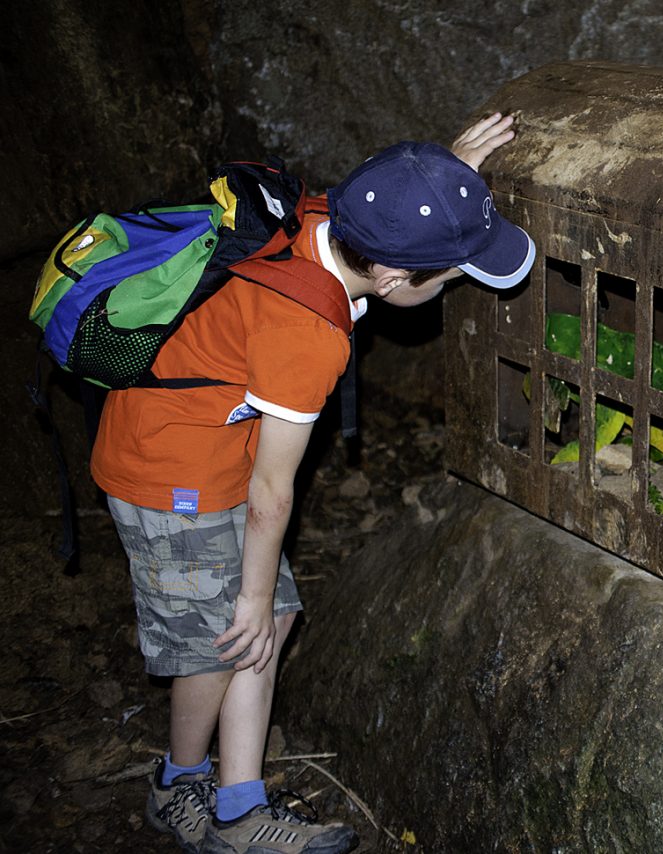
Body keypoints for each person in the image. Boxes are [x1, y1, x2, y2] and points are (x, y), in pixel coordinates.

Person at [90, 113, 535, 854]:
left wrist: (445, 174)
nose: (456, 282)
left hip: (205, 443)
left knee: (268, 626)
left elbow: (391, 201)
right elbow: (273, 492)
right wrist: (254, 596)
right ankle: (181, 785)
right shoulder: (307, 334)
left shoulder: (330, 215)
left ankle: (239, 803)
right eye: (452, 275)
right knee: (224, 636)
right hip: (168, 470)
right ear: (392, 277)